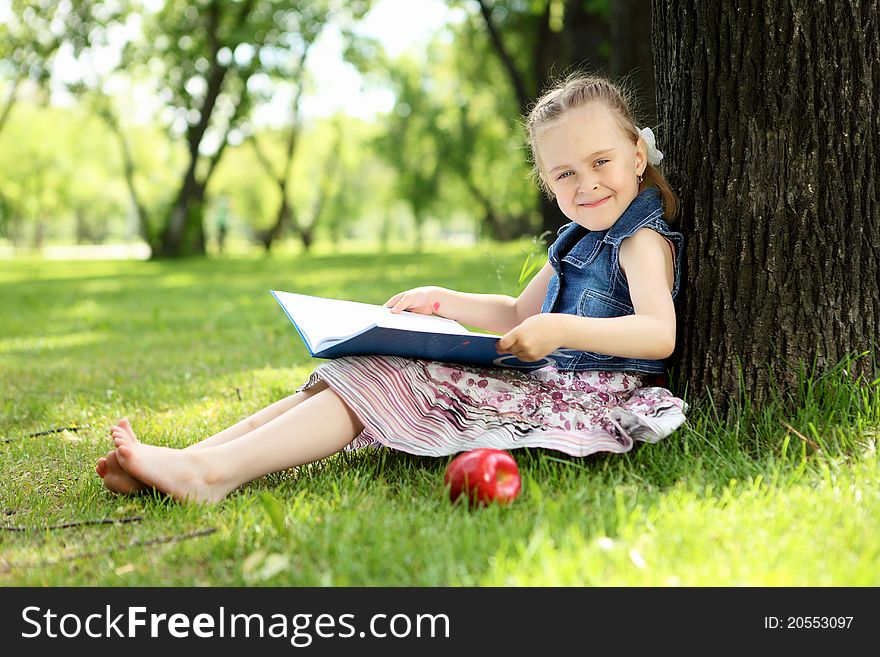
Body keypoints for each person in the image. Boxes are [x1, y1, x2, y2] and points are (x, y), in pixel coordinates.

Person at [96, 74, 687, 503]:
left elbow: (658, 335)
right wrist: (444, 302)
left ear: (637, 155)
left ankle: (209, 474)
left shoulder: (639, 240)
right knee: (367, 363)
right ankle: (191, 461)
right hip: (547, 378)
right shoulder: (576, 240)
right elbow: (515, 312)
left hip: (583, 395)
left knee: (391, 376)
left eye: (601, 162)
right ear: (547, 181)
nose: (587, 185)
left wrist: (560, 329)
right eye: (565, 174)